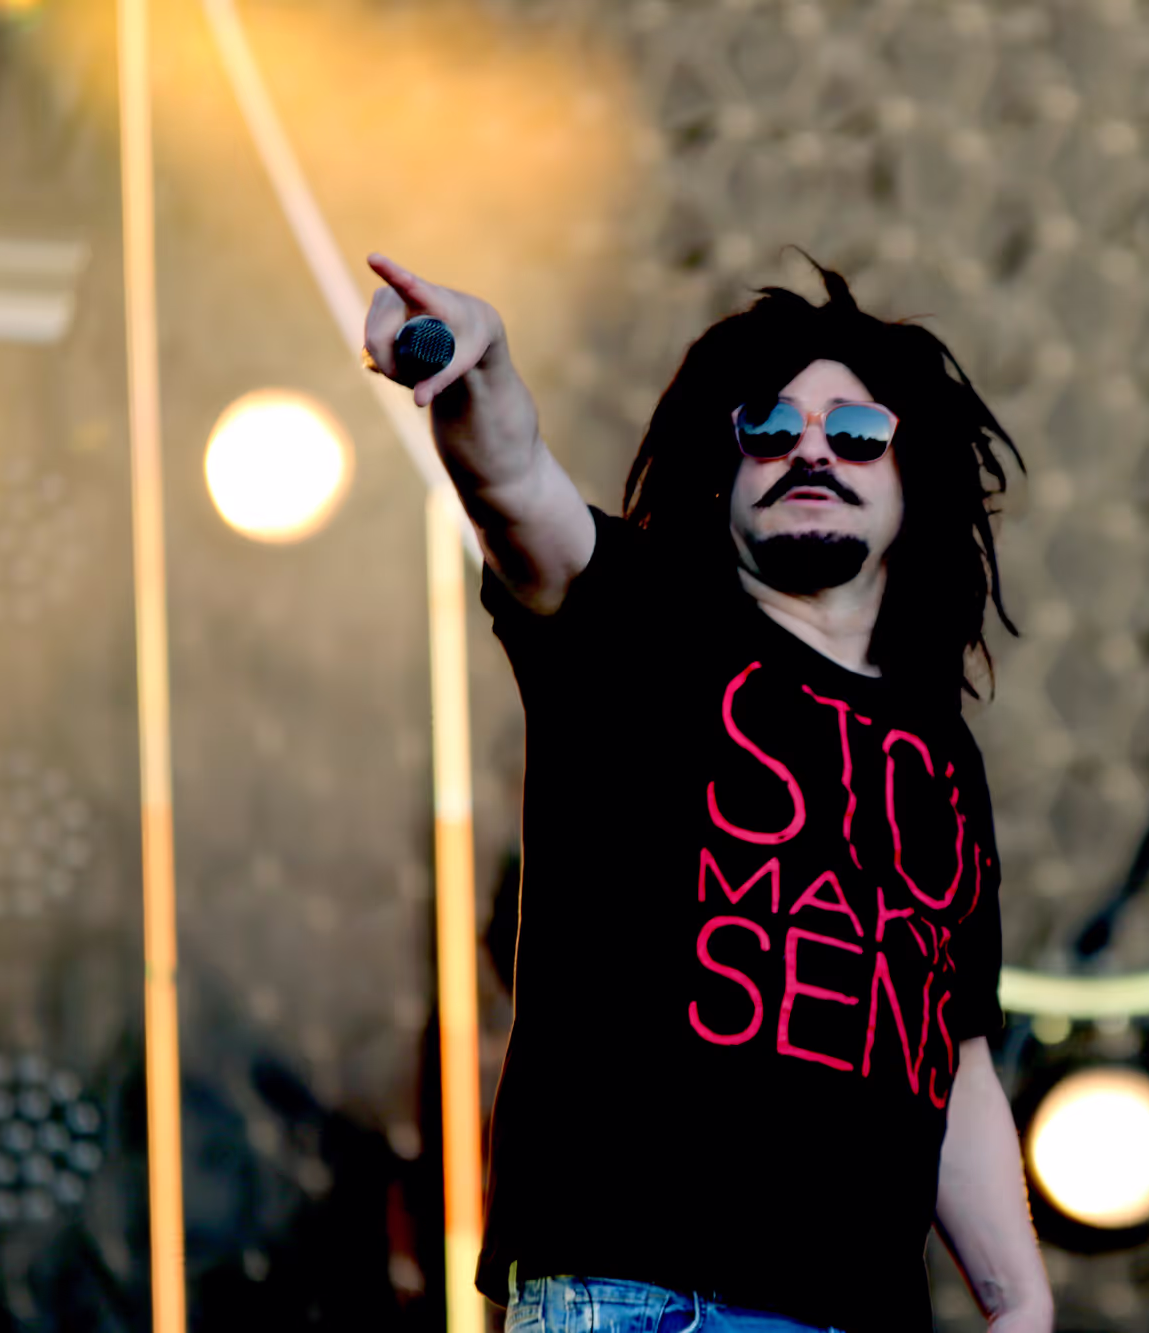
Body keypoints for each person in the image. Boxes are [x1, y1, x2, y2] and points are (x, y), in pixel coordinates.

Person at [362, 253, 1053, 1333]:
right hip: (640, 1296)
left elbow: (947, 1048)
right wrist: (474, 362)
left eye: (856, 433)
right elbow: (514, 484)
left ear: (910, 481)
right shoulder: (634, 620)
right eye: (768, 429)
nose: (810, 450)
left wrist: (1020, 1303)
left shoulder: (939, 754)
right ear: (723, 472)